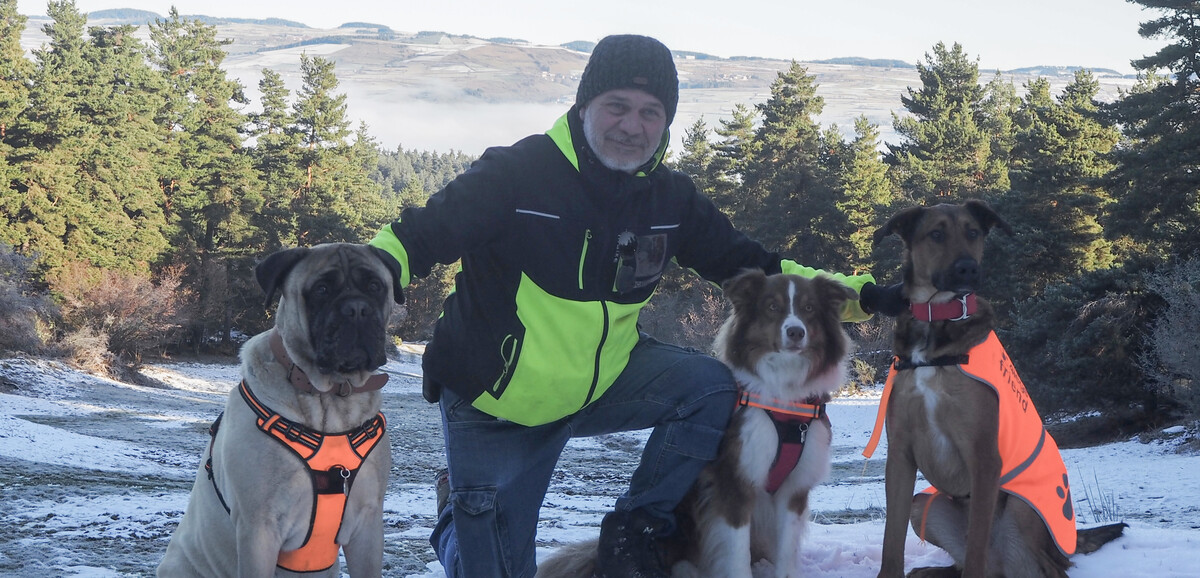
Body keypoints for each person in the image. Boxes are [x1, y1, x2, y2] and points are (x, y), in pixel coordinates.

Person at [369, 34, 905, 578]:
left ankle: (638, 528)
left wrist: (861, 295)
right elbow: (416, 236)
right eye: (617, 106)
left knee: (710, 387)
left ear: (666, 122)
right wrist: (368, 279)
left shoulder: (670, 198)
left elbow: (759, 267)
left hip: (605, 380)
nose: (632, 126)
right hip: (499, 399)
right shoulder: (516, 174)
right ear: (584, 106)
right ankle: (456, 513)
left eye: (651, 112)